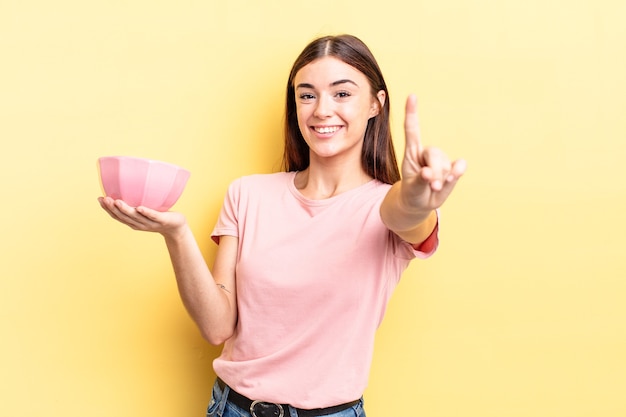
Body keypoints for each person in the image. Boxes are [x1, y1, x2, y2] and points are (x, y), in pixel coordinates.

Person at [99, 34, 466, 417]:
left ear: (376, 104)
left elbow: (402, 213)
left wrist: (415, 196)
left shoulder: (385, 205)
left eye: (342, 94)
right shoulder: (248, 194)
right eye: (307, 95)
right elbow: (217, 327)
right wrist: (175, 234)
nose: (322, 110)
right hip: (232, 408)